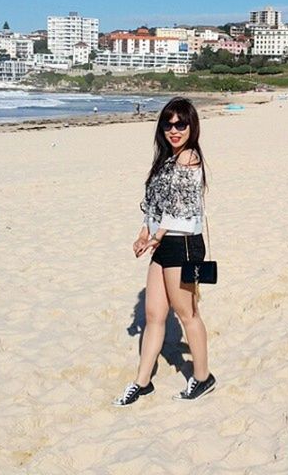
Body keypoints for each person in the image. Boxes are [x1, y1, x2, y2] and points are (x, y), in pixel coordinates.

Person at [113, 97, 216, 406]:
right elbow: (156, 205)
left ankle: (202, 377)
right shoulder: (165, 160)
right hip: (163, 243)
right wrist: (143, 233)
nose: (174, 130)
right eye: (168, 124)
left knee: (187, 313)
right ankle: (142, 382)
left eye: (181, 124)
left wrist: (155, 237)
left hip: (182, 244)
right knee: (153, 315)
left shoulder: (189, 158)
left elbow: (180, 209)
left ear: (191, 127)